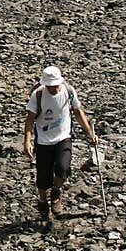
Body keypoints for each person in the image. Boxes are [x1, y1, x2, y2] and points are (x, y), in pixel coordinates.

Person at [23, 65, 98, 220]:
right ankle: (43, 202)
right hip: (43, 140)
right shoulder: (37, 95)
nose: (53, 89)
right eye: (50, 86)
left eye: (55, 85)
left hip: (63, 136)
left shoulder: (68, 91)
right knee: (43, 178)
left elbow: (78, 112)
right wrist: (27, 141)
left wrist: (90, 133)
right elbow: (29, 119)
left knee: (63, 168)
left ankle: (56, 192)